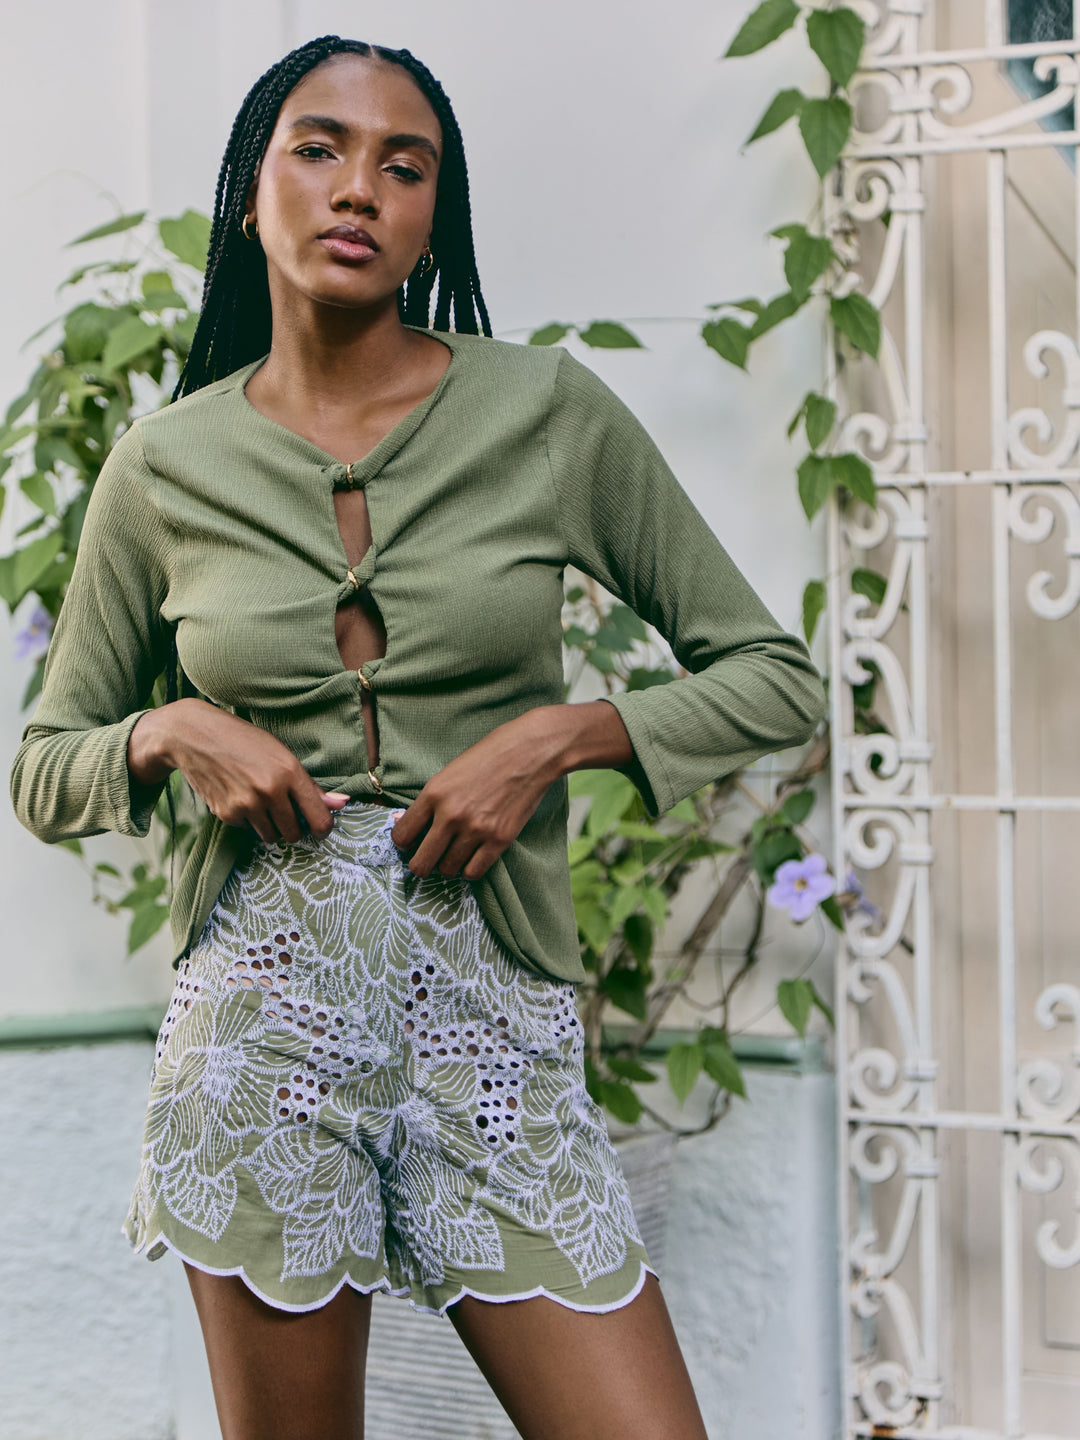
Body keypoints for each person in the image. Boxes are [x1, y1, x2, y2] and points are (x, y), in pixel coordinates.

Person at [10, 35, 826, 1440]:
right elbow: (45, 765)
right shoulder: (163, 467)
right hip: (261, 1033)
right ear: (251, 192)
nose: (359, 190)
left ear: (434, 213)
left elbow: (773, 678)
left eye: (405, 166)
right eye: (318, 150)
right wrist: (172, 731)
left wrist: (558, 739)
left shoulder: (547, 414)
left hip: (493, 1026)